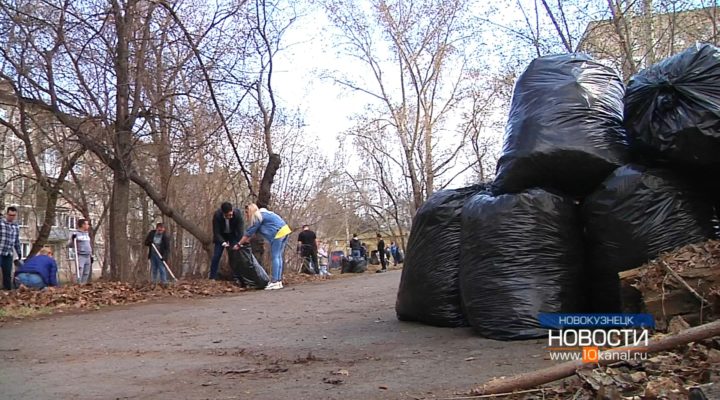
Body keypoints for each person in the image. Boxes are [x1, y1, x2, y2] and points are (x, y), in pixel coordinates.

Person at [239, 203, 291, 290]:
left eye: (247, 212)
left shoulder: (257, 216)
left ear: (251, 211)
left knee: (275, 257)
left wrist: (239, 244)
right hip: (285, 230)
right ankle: (278, 281)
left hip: (277, 233)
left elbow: (250, 232)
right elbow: (253, 233)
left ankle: (275, 281)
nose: (247, 215)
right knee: (278, 257)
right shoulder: (264, 213)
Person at [209, 202, 244, 280]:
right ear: (223, 213)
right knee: (216, 255)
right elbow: (216, 232)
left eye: (231, 215)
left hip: (232, 234)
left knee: (235, 255)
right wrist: (223, 242)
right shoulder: (217, 215)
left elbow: (240, 230)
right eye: (228, 215)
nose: (230, 217)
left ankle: (237, 277)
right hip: (221, 236)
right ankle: (212, 277)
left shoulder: (237, 214)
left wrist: (239, 243)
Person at [0, 206, 22, 290]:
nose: (11, 217)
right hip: (0, 251)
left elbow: (16, 240)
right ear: (7, 214)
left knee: (7, 273)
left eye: (13, 215)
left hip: (8, 253)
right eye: (10, 215)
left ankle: (8, 291)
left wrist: (19, 252)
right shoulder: (1, 223)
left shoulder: (16, 226)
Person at [69, 219, 93, 284]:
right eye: (87, 224)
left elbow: (88, 245)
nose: (88, 226)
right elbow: (70, 245)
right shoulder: (76, 233)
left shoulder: (87, 234)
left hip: (88, 255)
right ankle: (77, 284)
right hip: (80, 255)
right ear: (83, 225)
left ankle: (83, 284)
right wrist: (73, 239)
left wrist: (91, 255)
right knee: (80, 270)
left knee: (86, 272)